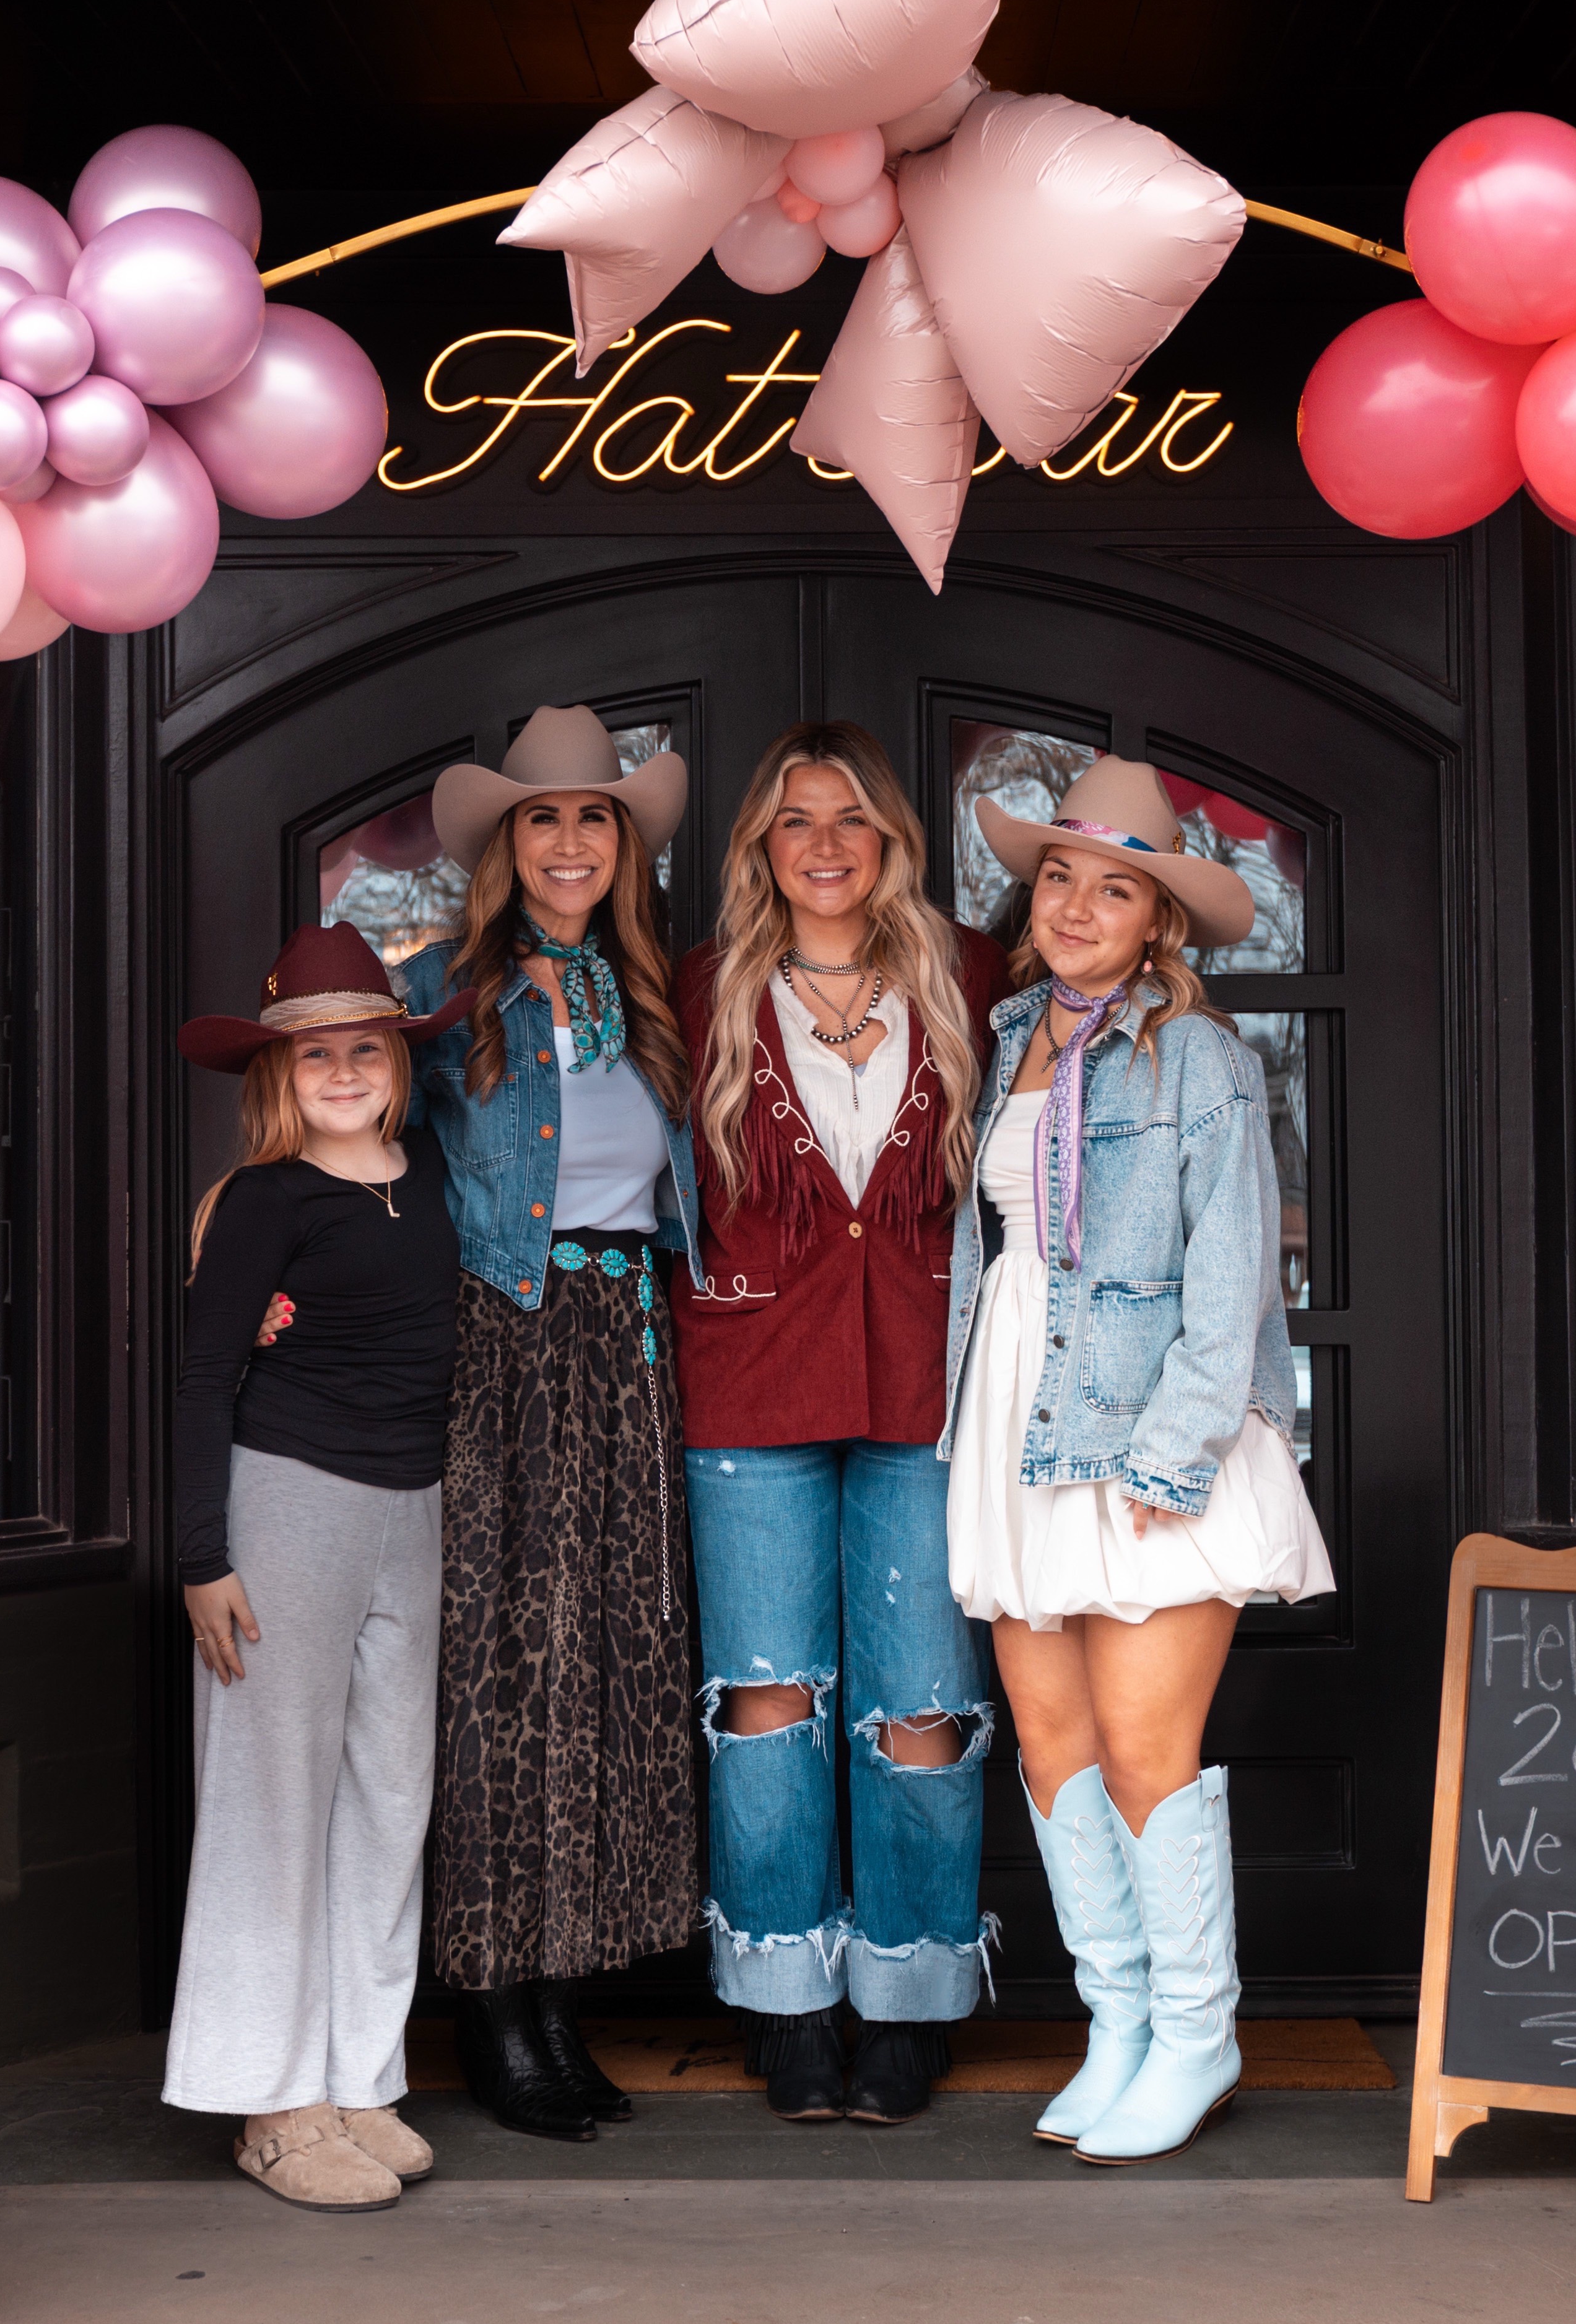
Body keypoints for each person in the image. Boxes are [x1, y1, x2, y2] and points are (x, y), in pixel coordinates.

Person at [940, 757, 1331, 2165]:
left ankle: (1196, 2030)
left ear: (1158, 919)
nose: (1076, 907)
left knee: (1145, 1750)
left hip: (1148, 1425)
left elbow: (1230, 1284)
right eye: (1058, 878)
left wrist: (1167, 1463)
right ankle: (1116, 2023)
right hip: (1021, 1422)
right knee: (1052, 1747)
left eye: (1114, 890)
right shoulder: (1008, 1038)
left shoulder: (1200, 1059)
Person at [677, 724, 1011, 2127]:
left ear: (892, 843)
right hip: (748, 1378)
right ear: (761, 844)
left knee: (922, 1708)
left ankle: (913, 1994)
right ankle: (783, 1996)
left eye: (851, 819)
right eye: (795, 819)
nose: (824, 844)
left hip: (925, 1383)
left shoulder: (971, 976)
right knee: (766, 1705)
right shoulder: (700, 989)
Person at [393, 705, 706, 2143]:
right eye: (543, 818)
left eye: (595, 818)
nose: (571, 842)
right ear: (505, 844)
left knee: (606, 1671)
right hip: (499, 1348)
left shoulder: (655, 1002)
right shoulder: (439, 996)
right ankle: (490, 2007)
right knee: (501, 1673)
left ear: (623, 847)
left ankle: (559, 1998)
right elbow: (341, 1150)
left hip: (627, 1350)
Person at [165, 922, 468, 2212]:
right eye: (314, 1054)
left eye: (365, 1050)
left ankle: (357, 2076)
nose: (342, 1072)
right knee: (271, 1801)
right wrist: (201, 1553)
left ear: (399, 1067)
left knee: (389, 1796)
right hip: (288, 1502)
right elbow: (201, 1379)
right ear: (277, 1076)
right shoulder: (264, 1201)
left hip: (415, 1506)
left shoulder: (432, 1171)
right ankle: (271, 2104)